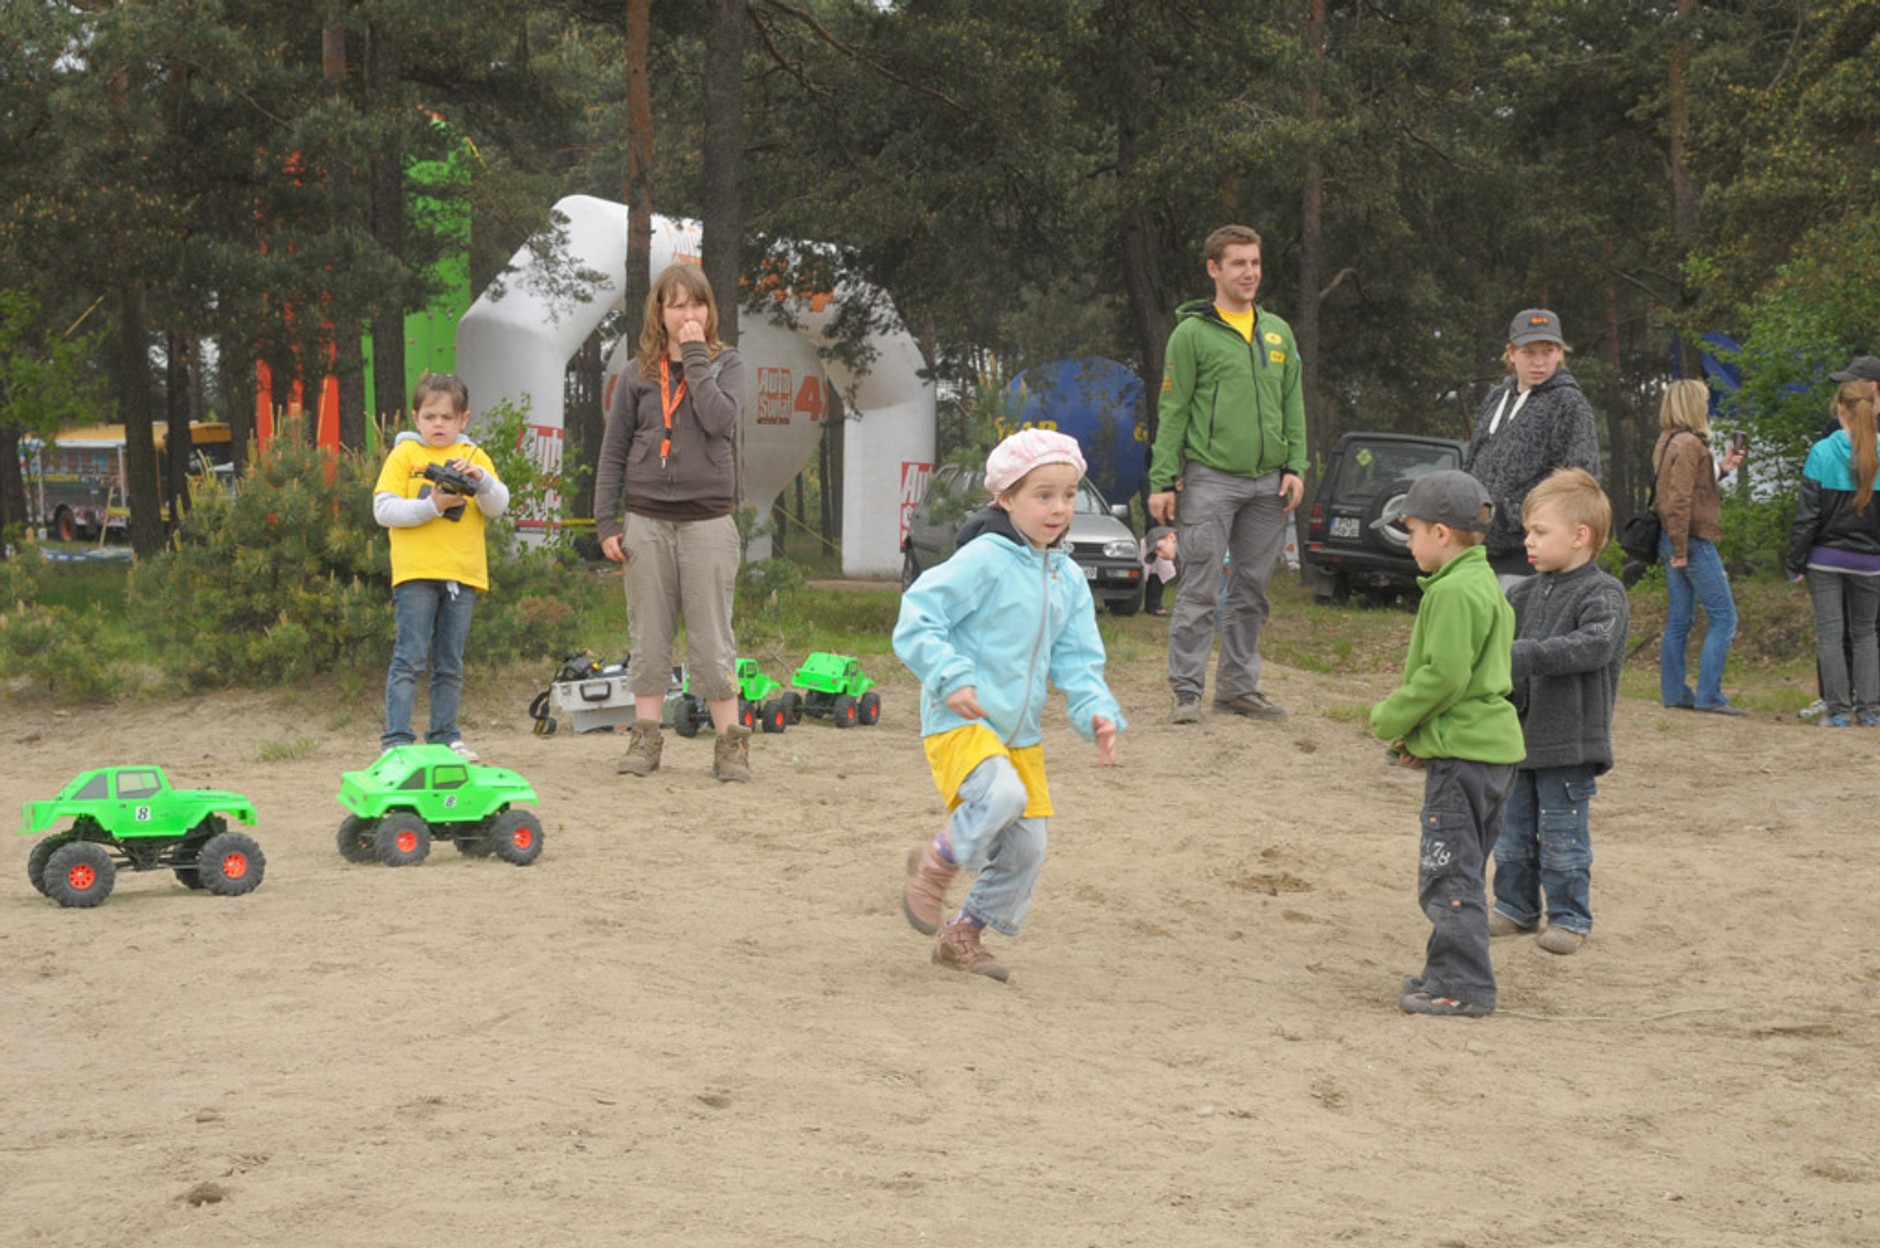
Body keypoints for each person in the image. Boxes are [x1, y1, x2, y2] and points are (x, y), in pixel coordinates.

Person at [895, 429, 1125, 983]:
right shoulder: (984, 560)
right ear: (1005, 497)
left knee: (1028, 847)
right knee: (1001, 794)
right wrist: (951, 677)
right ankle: (938, 861)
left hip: (1018, 735)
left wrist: (1096, 709)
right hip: (961, 720)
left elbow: (1076, 659)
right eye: (1042, 495)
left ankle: (963, 933)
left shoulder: (1067, 578)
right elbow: (917, 617)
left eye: (1069, 495)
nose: (1059, 508)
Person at [1368, 470, 1523, 1018]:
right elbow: (1474, 685)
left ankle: (1465, 987)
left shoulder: (1454, 591)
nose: (1407, 543)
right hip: (1488, 753)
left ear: (1440, 534)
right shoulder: (1483, 583)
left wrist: (1390, 718)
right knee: (1459, 867)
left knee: (1447, 876)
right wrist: (1419, 739)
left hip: (1465, 760)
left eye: (1409, 531)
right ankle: (1443, 973)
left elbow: (1446, 678)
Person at [594, 264, 750, 781]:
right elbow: (614, 448)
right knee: (649, 635)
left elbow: (719, 419)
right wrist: (605, 523)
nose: (688, 314)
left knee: (711, 637)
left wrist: (697, 358)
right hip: (646, 519)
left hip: (707, 521)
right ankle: (645, 740)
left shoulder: (727, 363)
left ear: (710, 311)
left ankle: (730, 746)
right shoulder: (639, 373)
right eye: (677, 304)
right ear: (659, 312)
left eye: (697, 304)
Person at [1147, 224, 1307, 725]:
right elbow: (1173, 408)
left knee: (1252, 591)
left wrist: (1296, 466)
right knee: (1198, 587)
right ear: (1214, 269)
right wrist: (1161, 479)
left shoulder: (1278, 330)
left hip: (1269, 484)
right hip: (1209, 479)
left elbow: (1292, 403)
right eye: (1238, 263)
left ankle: (1239, 687)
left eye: (1255, 263)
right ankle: (1186, 691)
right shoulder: (1191, 333)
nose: (1249, 273)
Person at [1491, 468, 1628, 955]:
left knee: (1563, 837)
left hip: (1570, 743)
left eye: (1539, 532)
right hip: (1517, 741)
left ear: (1580, 536)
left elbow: (1592, 646)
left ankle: (1570, 916)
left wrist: (1523, 654)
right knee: (1512, 834)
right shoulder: (1522, 594)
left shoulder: (1602, 593)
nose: (1527, 541)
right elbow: (1496, 654)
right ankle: (1514, 908)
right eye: (1527, 531)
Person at [374, 373, 511, 760]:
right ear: (415, 418)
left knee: (450, 662)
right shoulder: (404, 456)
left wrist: (480, 482)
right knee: (409, 658)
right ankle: (397, 741)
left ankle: (445, 737)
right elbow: (383, 510)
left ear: (463, 419)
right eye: (430, 416)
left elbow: (498, 506)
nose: (439, 425)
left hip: (462, 575)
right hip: (416, 573)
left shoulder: (474, 457)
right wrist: (432, 506)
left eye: (447, 418)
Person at [1462, 308, 1602, 584]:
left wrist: (1510, 517)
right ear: (1511, 354)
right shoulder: (1495, 398)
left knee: (1519, 628)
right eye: (1529, 352)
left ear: (1560, 353)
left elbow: (1582, 482)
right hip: (1478, 550)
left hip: (1528, 557)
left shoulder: (1568, 404)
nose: (1539, 362)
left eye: (1548, 351)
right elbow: (1472, 462)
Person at [1786, 380, 1880, 727]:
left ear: (1840, 408)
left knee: (1830, 634)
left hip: (1825, 559)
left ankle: (1838, 711)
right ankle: (1871, 711)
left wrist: (1795, 562)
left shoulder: (1822, 452)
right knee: (1866, 634)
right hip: (1871, 562)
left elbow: (1807, 516)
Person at [1653, 378, 1747, 714]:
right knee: (1724, 617)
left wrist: (1721, 468)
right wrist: (1681, 549)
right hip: (1691, 539)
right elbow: (1678, 500)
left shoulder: (1668, 441)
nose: (1708, 407)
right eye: (1705, 401)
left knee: (1680, 618)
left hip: (1673, 536)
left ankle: (1675, 691)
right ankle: (1710, 695)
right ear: (1694, 405)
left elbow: (1687, 490)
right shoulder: (1691, 444)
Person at [1141, 524, 1177, 615]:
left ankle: (1154, 605)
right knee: (1156, 577)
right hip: (1155, 541)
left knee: (1157, 576)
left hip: (1160, 540)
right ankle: (1153, 606)